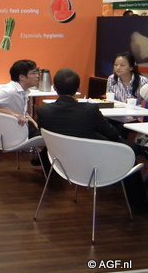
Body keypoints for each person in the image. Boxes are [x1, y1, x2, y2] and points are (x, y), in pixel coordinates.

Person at [37, 68, 148, 211]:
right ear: (78, 88)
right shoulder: (90, 110)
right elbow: (112, 135)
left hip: (61, 163)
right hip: (93, 163)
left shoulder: (43, 111)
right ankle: (138, 204)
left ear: (55, 87)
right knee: (130, 153)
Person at [0, 59, 39, 130]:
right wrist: (13, 114)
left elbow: (21, 111)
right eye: (33, 73)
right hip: (14, 130)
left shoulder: (23, 90)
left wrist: (32, 120)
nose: (37, 75)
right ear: (22, 77)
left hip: (20, 128)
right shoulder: (10, 91)